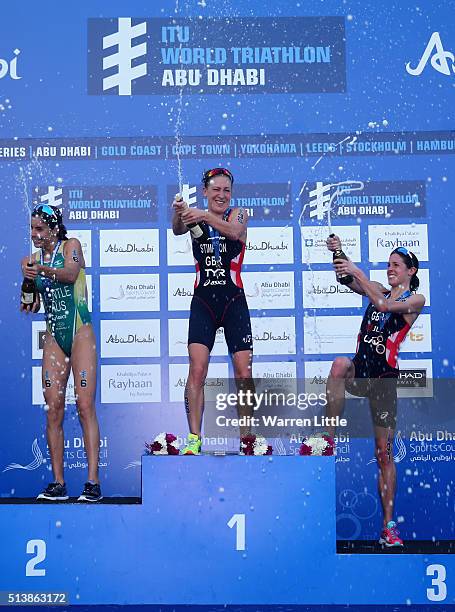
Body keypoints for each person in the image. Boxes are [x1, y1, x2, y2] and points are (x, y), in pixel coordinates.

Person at [325, 235, 425, 547]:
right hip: (360, 372)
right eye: (389, 265)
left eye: (396, 265)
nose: (390, 269)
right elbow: (345, 278)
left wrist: (358, 272)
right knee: (340, 364)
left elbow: (383, 305)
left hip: (384, 380)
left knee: (383, 455)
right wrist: (339, 252)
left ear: (410, 271)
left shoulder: (414, 300)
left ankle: (388, 527)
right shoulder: (377, 289)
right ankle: (327, 438)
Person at [20, 204, 102, 502]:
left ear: (54, 228)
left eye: (40, 229)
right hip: (54, 336)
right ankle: (58, 483)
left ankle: (92, 482)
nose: (35, 234)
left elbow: (70, 274)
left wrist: (40, 270)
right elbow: (30, 305)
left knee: (83, 405)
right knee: (53, 408)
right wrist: (28, 283)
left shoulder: (72, 246)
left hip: (81, 333)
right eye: (32, 229)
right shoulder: (31, 260)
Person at [172, 168, 254, 455]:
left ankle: (247, 440)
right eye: (215, 190)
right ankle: (194, 439)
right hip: (204, 302)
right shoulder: (195, 217)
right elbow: (177, 228)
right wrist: (180, 211)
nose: (221, 195)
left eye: (226, 190)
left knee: (244, 372)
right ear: (204, 192)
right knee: (196, 370)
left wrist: (203, 215)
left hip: (234, 302)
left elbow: (234, 232)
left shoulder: (239, 215)